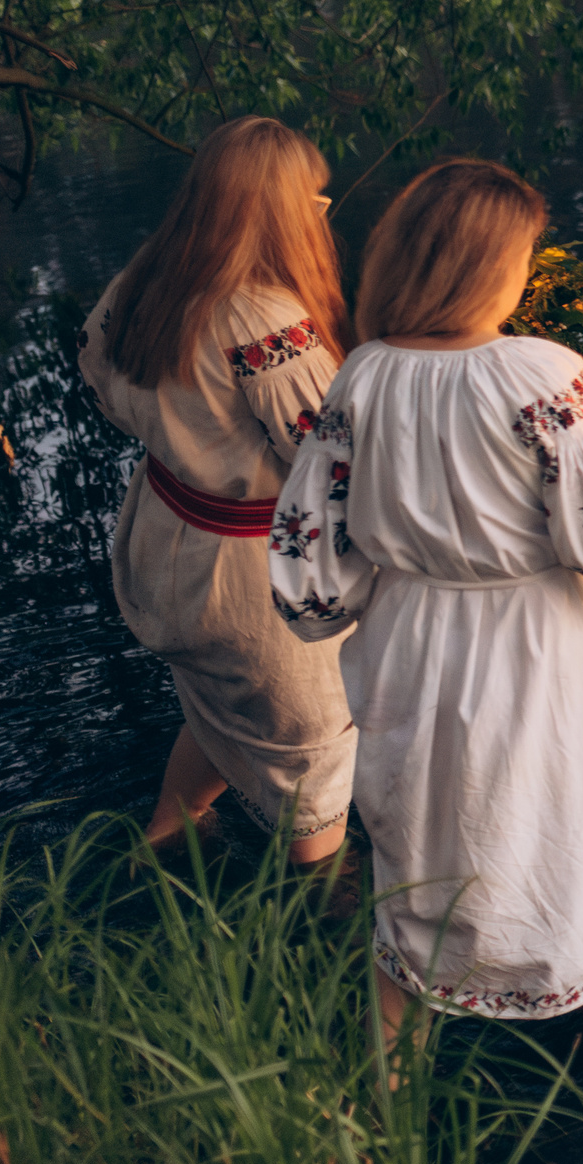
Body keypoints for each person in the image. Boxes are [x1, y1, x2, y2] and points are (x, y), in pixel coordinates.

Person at [267, 158, 583, 1048]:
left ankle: (383, 1105)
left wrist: (340, 605)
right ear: (484, 265)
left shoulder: (361, 373)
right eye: (521, 253)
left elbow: (311, 551)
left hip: (409, 638)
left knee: (423, 838)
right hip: (535, 643)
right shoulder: (539, 373)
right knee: (569, 820)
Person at [78, 115, 355, 865]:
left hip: (165, 536)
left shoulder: (143, 279)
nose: (321, 216)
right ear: (274, 212)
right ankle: (321, 912)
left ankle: (164, 839)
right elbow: (338, 463)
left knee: (218, 705)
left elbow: (99, 380)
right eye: (314, 202)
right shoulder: (268, 321)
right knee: (313, 749)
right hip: (251, 579)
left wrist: (187, 440)